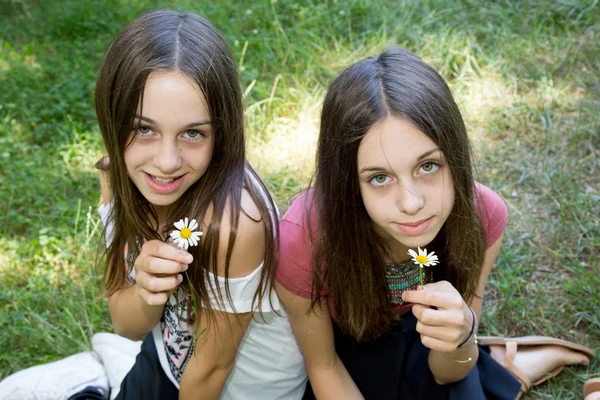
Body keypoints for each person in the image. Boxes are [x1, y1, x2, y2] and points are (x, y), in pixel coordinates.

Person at [0, 10, 306, 400]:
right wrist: (146, 291)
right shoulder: (117, 175)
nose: (166, 162)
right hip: (167, 363)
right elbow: (126, 325)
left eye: (193, 133)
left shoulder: (235, 224)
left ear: (222, 132)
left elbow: (212, 370)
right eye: (144, 129)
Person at [275, 47, 594, 399]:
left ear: (454, 155)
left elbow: (447, 374)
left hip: (433, 345)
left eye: (428, 166)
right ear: (348, 183)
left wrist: (461, 337)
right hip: (349, 350)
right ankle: (506, 367)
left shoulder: (482, 214)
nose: (412, 203)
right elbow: (324, 366)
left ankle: (501, 363)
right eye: (380, 178)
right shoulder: (302, 242)